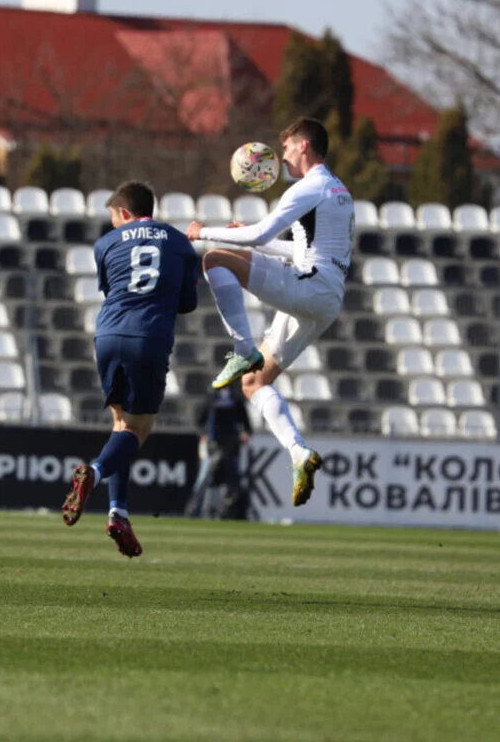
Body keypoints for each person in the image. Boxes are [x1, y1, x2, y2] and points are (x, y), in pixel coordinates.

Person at [185, 117, 353, 508]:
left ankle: (242, 349)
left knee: (215, 260)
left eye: (289, 147)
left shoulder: (309, 186)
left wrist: (204, 230)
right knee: (254, 384)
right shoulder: (338, 190)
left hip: (308, 285)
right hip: (325, 296)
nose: (285, 157)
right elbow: (295, 250)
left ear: (305, 147)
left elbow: (260, 234)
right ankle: (299, 454)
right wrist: (253, 239)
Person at [62, 180, 200, 557]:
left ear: (124, 213)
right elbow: (187, 303)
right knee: (139, 428)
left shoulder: (105, 245)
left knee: (120, 424)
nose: (112, 225)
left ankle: (117, 512)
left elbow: (114, 289)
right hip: (148, 337)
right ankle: (94, 472)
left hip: (107, 334)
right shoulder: (179, 242)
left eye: (112, 218)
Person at [189, 384, 253, 518]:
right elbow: (200, 420)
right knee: (205, 478)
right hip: (213, 446)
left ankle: (231, 512)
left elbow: (245, 420)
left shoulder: (235, 400)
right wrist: (203, 434)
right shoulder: (211, 398)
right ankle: (195, 511)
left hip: (231, 446)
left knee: (233, 480)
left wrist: (246, 433)